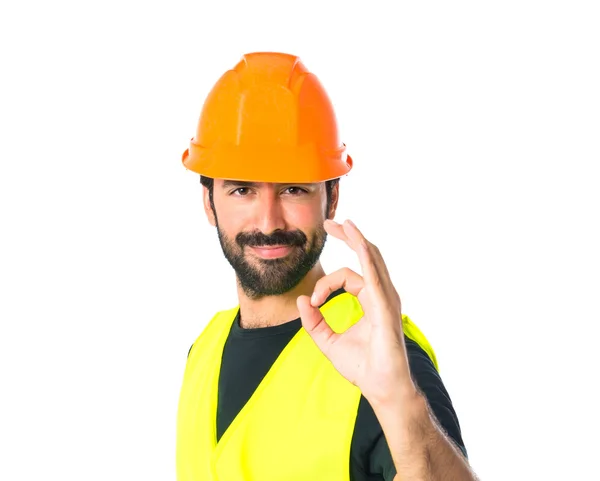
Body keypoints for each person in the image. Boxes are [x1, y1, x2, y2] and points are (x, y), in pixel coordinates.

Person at [176, 51, 478, 481]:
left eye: (294, 189)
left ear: (331, 198)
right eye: (242, 189)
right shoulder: (203, 350)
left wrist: (399, 403)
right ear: (208, 202)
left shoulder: (381, 354)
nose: (268, 222)